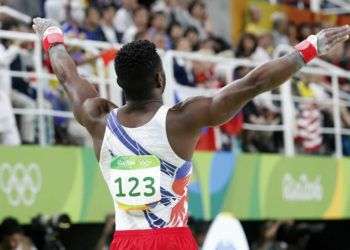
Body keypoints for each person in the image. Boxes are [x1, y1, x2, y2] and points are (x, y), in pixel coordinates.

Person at [32, 17, 350, 249]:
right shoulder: (181, 120)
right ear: (160, 78)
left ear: (119, 84)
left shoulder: (96, 118)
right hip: (173, 240)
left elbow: (67, 74)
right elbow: (253, 83)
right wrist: (310, 48)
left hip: (125, 241)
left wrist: (52, 35)